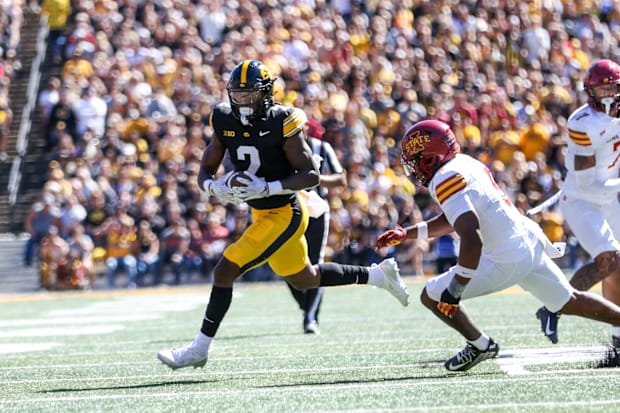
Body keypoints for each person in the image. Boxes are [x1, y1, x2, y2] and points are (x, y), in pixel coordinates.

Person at [157, 59, 409, 370]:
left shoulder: (283, 121)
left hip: (285, 212)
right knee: (306, 279)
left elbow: (311, 176)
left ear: (265, 94)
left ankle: (199, 348)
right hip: (262, 215)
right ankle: (379, 275)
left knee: (224, 272)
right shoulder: (223, 117)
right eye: (237, 94)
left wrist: (267, 187)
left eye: (248, 94)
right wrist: (213, 187)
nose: (241, 101)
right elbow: (205, 168)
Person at [375, 119, 620, 372]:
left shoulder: (443, 178)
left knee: (432, 296)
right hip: (528, 241)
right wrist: (408, 233)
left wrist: (456, 290)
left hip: (506, 257)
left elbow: (472, 239)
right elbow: (457, 217)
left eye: (415, 161)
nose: (414, 169)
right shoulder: (465, 163)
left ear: (429, 158)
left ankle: (481, 345)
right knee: (569, 301)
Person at [534, 59, 620, 347]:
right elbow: (586, 182)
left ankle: (618, 341)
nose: (608, 94)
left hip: (609, 199)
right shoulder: (582, 122)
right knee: (608, 260)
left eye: (613, 88)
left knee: (617, 266)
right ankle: (553, 306)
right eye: (602, 89)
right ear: (589, 91)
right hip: (583, 199)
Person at [286, 118, 347, 335]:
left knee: (314, 263)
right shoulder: (281, 146)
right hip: (288, 209)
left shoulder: (321, 147)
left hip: (315, 209)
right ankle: (306, 306)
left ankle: (310, 317)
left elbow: (341, 178)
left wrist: (313, 178)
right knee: (283, 263)